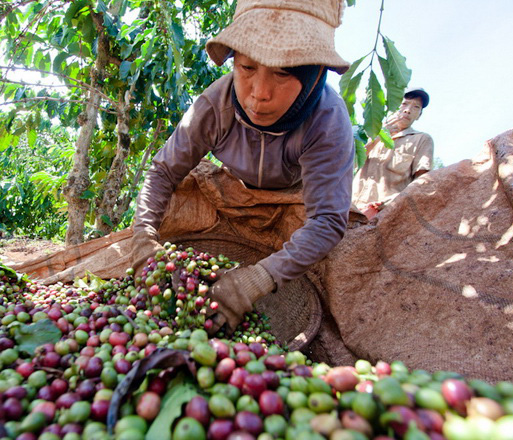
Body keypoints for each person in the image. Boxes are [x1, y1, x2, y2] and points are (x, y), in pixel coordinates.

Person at [130, 0, 354, 335]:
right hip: (236, 192)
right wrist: (143, 236)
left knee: (340, 259)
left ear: (315, 74)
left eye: (283, 72)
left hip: (294, 201)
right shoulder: (214, 105)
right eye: (247, 68)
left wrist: (257, 279)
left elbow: (326, 220)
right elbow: (163, 173)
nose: (260, 93)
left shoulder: (328, 121)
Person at [352, 88, 434, 220]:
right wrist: (379, 136)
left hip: (386, 215)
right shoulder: (368, 133)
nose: (407, 110)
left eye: (416, 107)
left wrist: (393, 201)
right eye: (404, 104)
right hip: (351, 210)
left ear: (419, 115)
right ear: (392, 106)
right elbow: (348, 161)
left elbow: (422, 181)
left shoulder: (421, 139)